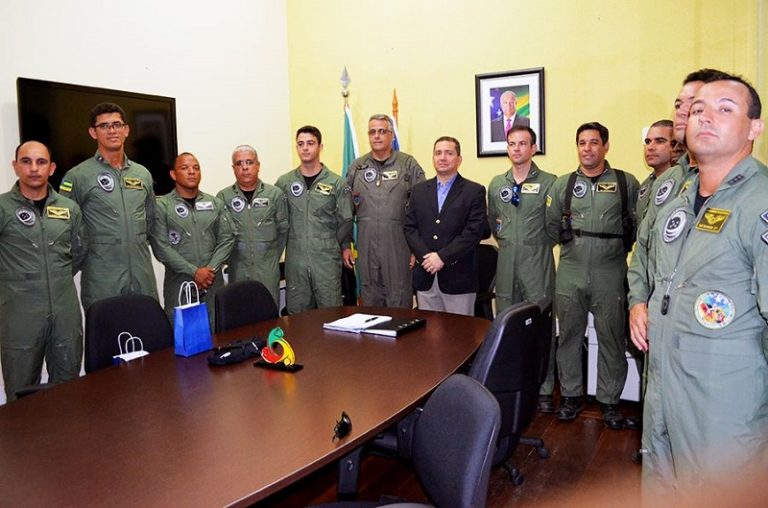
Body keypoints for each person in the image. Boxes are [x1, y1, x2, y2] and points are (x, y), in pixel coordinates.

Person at [631, 74, 768, 495]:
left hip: (723, 408)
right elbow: (655, 270)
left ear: (754, 128)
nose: (706, 117)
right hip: (664, 394)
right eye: (698, 110)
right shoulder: (679, 197)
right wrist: (641, 302)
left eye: (726, 108)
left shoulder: (759, 202)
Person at [546, 122, 639, 429]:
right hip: (570, 270)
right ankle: (571, 396)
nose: (587, 148)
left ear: (605, 146)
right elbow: (550, 226)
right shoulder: (563, 184)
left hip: (610, 271)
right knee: (569, 337)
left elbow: (638, 224)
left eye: (594, 142)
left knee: (612, 337)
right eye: (582, 143)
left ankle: (610, 401)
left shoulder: (626, 183)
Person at [0, 141, 86, 402]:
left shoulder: (69, 209)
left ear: (52, 168)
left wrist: (54, 278)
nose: (34, 168)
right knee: (20, 392)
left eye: (41, 162)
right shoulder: (3, 208)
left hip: (65, 311)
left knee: (68, 388)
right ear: (16, 167)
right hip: (20, 316)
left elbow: (79, 254)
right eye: (26, 161)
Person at [59, 102, 158, 310]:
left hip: (142, 277)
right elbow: (65, 229)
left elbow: (150, 222)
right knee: (107, 339)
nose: (112, 130)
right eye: (104, 126)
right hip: (102, 281)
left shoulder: (142, 174)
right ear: (93, 132)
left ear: (126, 130)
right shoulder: (78, 176)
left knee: (149, 337)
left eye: (117, 124)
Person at [488, 126, 557, 411]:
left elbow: (554, 226)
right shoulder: (496, 184)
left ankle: (544, 386)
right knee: (506, 324)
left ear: (533, 147)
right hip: (506, 260)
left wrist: (534, 245)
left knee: (540, 325)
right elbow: (494, 221)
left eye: (522, 144)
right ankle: (509, 382)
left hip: (536, 259)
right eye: (512, 144)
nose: (516, 149)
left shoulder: (550, 182)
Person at [346, 114, 425, 307]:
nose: (377, 136)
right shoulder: (357, 167)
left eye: (382, 131)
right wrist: (345, 244)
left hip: (398, 244)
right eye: (373, 132)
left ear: (391, 136)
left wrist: (418, 248)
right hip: (365, 244)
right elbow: (345, 209)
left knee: (399, 298)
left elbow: (422, 208)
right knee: (369, 298)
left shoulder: (407, 164)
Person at [404, 136, 487, 315]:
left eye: (449, 153)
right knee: (430, 337)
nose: (442, 158)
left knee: (458, 338)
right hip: (426, 275)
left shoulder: (474, 191)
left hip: (458, 278)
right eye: (438, 153)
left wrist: (442, 257)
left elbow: (474, 232)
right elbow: (410, 227)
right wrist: (426, 257)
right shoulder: (419, 190)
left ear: (459, 159)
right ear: (433, 158)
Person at [275, 126, 353, 314]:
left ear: (320, 147)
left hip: (326, 260)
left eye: (310, 143)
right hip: (296, 260)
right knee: (298, 316)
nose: (305, 148)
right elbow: (278, 221)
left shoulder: (336, 183)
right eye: (301, 144)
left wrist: (341, 246)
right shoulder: (284, 183)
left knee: (331, 313)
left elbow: (346, 219)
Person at [152, 153, 234, 326]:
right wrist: (194, 272)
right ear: (173, 175)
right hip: (180, 284)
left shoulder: (215, 203)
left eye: (196, 168)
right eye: (185, 168)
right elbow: (161, 247)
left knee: (217, 334)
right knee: (184, 340)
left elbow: (227, 239)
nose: (191, 172)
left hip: (213, 283)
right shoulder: (162, 206)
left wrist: (209, 270)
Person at [217, 145, 288, 307]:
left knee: (269, 316)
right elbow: (221, 235)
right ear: (233, 168)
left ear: (258, 165)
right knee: (240, 317)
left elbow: (283, 231)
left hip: (267, 271)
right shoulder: (223, 197)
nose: (245, 167)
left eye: (249, 162)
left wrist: (268, 257)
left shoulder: (274, 194)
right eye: (239, 163)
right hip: (238, 271)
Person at [636, 120, 676, 221]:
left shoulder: (683, 183)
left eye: (660, 141)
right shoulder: (645, 185)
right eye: (647, 142)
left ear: (675, 145)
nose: (650, 147)